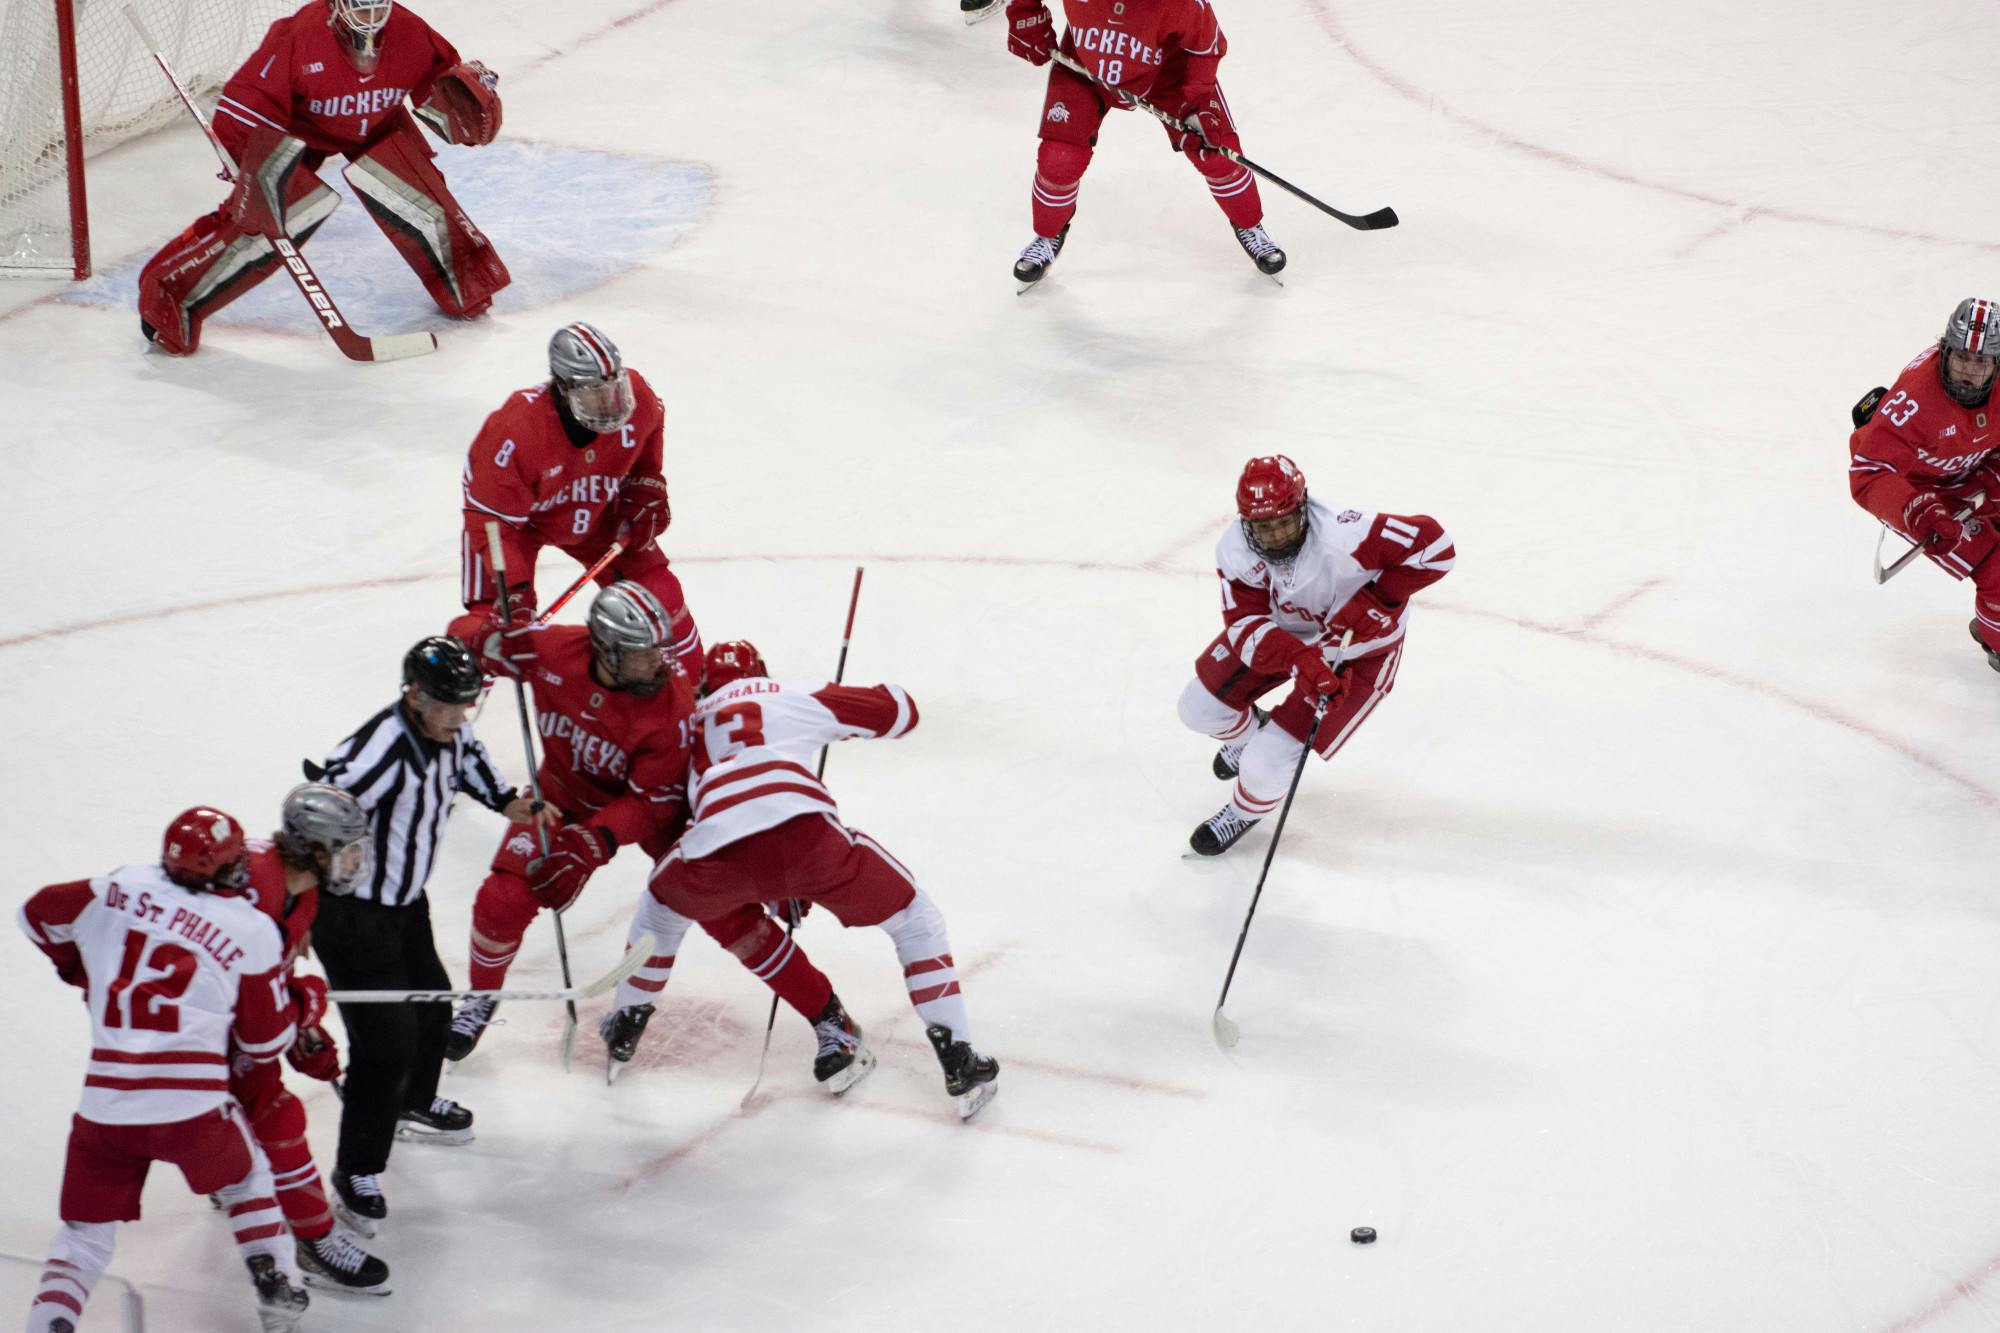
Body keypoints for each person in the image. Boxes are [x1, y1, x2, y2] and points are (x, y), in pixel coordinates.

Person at [608, 639, 1003, 1119]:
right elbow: (900, 711)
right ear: (761, 671)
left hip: (713, 851)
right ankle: (958, 1055)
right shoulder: (781, 693)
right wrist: (838, 710)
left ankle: (628, 1020)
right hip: (806, 836)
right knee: (914, 918)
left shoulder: (685, 724)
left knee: (659, 912)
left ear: (703, 686)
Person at [444, 586, 839, 1063]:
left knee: (726, 912)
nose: (659, 663)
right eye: (644, 653)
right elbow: (458, 636)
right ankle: (481, 1000)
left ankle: (829, 1015)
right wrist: (488, 637)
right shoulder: (551, 652)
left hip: (654, 815)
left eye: (661, 649)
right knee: (501, 898)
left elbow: (650, 804)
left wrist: (589, 843)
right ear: (606, 650)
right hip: (562, 798)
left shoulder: (669, 708)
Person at [18, 807, 310, 1333]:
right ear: (224, 867)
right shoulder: (251, 929)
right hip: (192, 1109)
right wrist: (303, 1004)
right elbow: (263, 1044)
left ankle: (49, 1322)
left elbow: (34, 913)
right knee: (246, 1180)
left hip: (105, 1109)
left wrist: (84, 968)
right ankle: (277, 1277)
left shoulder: (120, 886)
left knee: (83, 1236)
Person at [309, 635, 542, 1235]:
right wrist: (298, 907)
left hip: (406, 907)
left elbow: (475, 769)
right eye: (449, 706)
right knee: (384, 1045)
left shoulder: (453, 732)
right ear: (414, 696)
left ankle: (413, 1100)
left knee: (435, 1011)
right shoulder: (380, 752)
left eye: (467, 705)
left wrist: (516, 805)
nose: (459, 717)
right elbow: (318, 812)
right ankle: (356, 1168)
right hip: (354, 920)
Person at [137, 0, 508, 355]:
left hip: (378, 123)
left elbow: (438, 78)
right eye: (360, 5)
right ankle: (170, 295)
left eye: (378, 4)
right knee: (276, 215)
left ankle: (467, 281)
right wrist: (249, 159)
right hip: (300, 131)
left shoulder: (411, 31)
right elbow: (246, 102)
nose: (371, 15)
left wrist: (463, 95)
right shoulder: (300, 36)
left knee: (415, 187)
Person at [1177, 455, 1454, 856]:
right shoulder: (1235, 550)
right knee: (1198, 709)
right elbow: (1244, 626)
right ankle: (1250, 732)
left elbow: (1436, 547)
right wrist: (1299, 660)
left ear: (1302, 506)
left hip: (1359, 651)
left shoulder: (1348, 532)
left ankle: (1242, 810)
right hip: (1286, 632)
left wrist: (1378, 599)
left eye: (1283, 522)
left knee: (1265, 763)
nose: (1273, 536)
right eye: (1262, 527)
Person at [458, 322, 702, 681]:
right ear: (563, 388)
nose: (610, 404)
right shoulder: (516, 432)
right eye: (594, 393)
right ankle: (453, 708)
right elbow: (492, 525)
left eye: (614, 388)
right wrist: (517, 592)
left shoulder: (640, 400)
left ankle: (691, 696)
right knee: (493, 626)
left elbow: (648, 447)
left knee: (661, 594)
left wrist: (644, 490)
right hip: (514, 527)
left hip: (599, 513)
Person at [231, 783, 390, 1293]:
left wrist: (307, 1029)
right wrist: (306, 1004)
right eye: (347, 850)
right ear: (318, 851)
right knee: (275, 1116)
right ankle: (314, 1241)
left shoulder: (305, 893)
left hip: (235, 1034)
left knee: (273, 1115)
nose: (354, 862)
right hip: (193, 1039)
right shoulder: (249, 883)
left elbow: (274, 979)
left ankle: (247, 1177)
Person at [1002, 0, 1283, 285]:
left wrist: (1200, 104)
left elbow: (1204, 47)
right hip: (1086, 64)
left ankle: (1249, 224)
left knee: (1218, 153)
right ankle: (1048, 235)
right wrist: (1025, 14)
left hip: (1167, 71)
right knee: (1059, 158)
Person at [1849, 297, 2000, 670]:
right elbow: (1869, 472)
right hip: (1916, 488)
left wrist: (1992, 472)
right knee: (1997, 568)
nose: (1968, 370)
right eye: (1961, 357)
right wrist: (1916, 512)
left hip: (1969, 468)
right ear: (1944, 351)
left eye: (1980, 362)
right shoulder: (1915, 399)